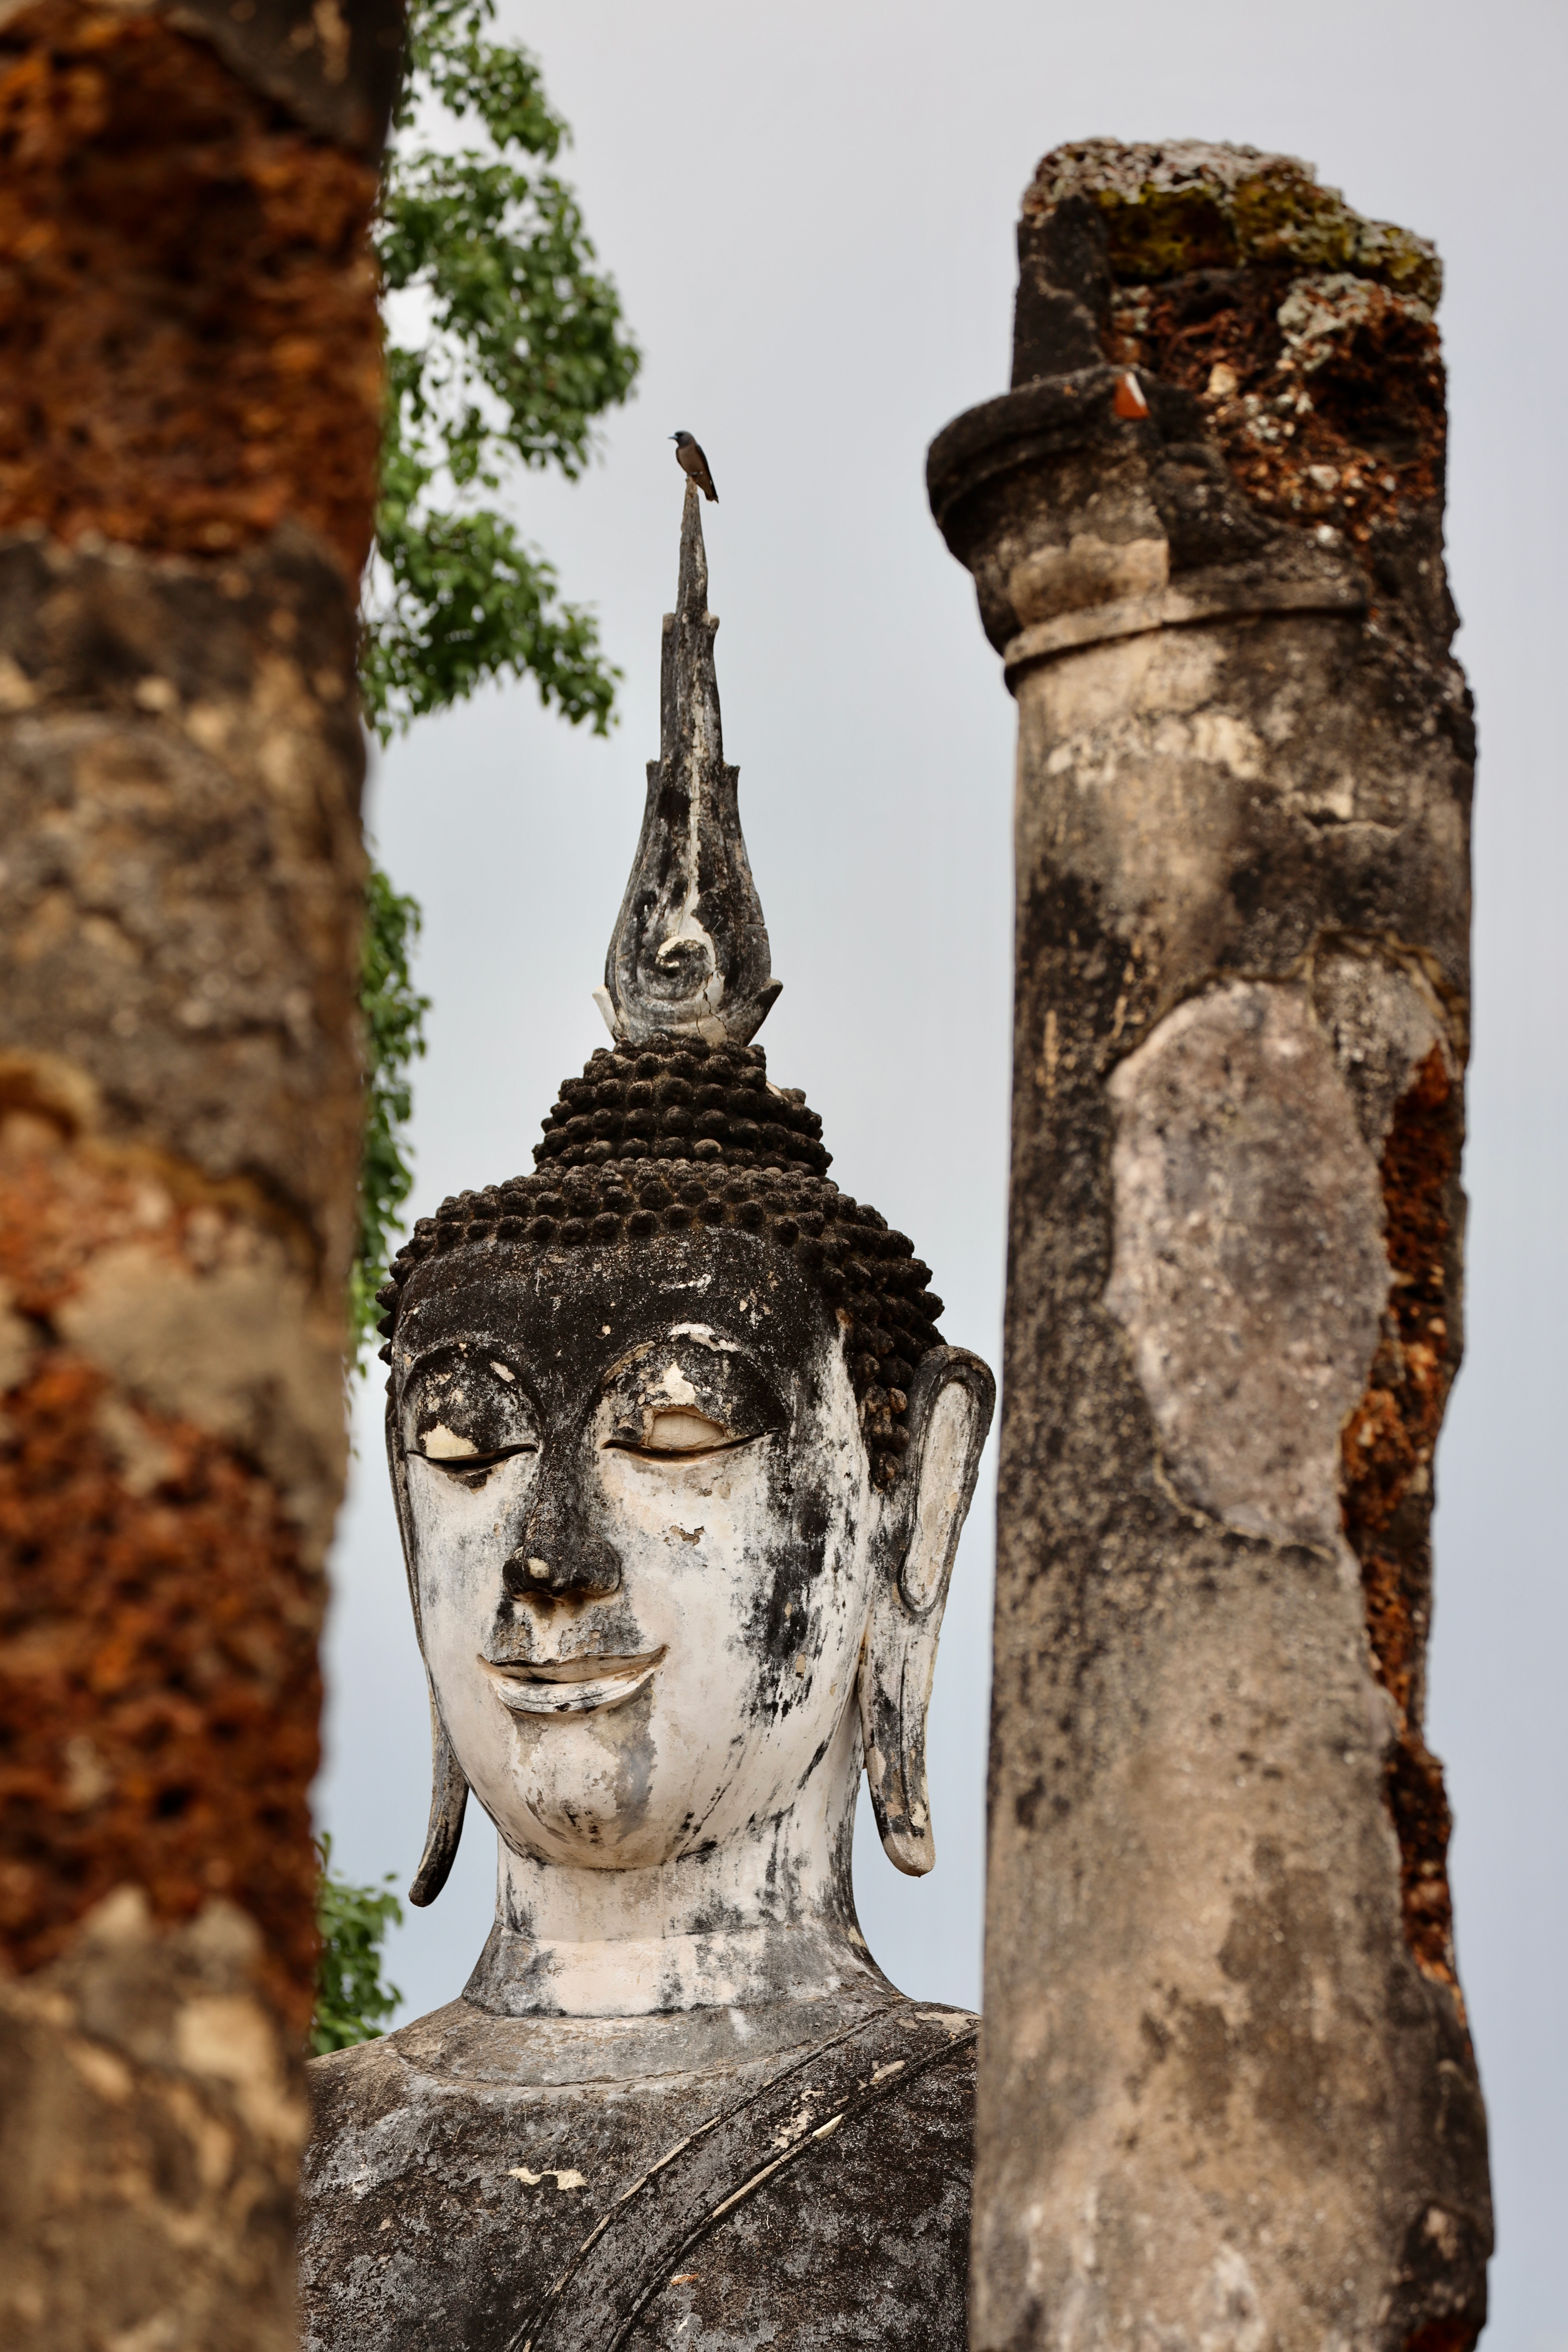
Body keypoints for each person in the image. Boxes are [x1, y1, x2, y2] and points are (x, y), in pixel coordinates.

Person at [299, 489, 993, 2352]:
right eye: (467, 1452)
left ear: (906, 1514)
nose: (546, 1563)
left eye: (675, 1438)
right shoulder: (261, 2174)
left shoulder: (1017, 2167)